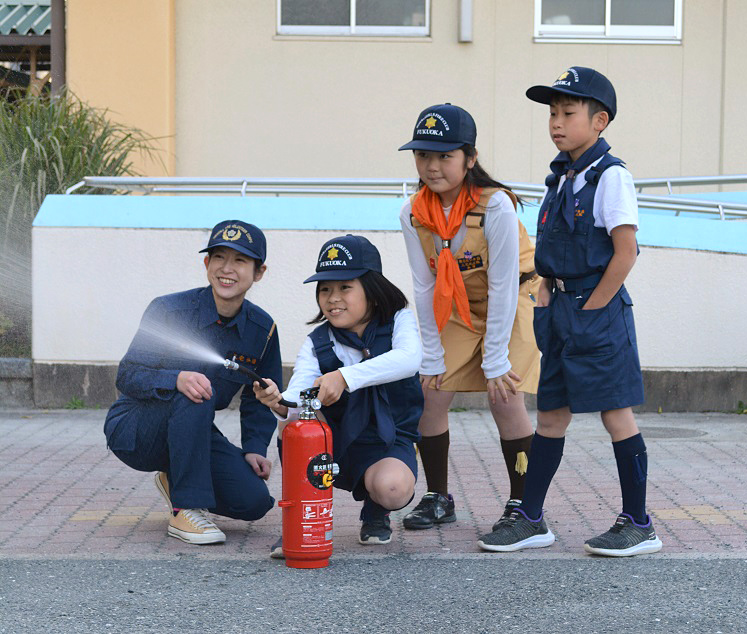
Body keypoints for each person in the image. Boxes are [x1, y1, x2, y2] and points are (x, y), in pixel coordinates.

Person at [477, 67, 662, 556]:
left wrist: (591, 307)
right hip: (557, 307)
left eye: (568, 112)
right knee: (552, 413)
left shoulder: (611, 176)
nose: (557, 122)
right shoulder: (561, 177)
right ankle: (532, 518)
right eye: (552, 113)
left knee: (615, 414)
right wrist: (543, 294)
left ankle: (639, 523)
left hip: (595, 311)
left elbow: (626, 253)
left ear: (599, 120)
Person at [397, 103, 541, 534]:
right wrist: (432, 355)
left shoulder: (495, 206)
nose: (432, 166)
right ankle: (438, 497)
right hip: (455, 306)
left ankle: (523, 504)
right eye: (423, 155)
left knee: (505, 396)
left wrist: (495, 360)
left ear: (470, 159)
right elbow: (423, 287)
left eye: (445, 156)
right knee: (431, 392)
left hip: (511, 298)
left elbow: (501, 286)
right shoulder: (412, 213)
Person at [104, 220, 282, 545]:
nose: (227, 269)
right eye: (219, 257)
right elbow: (127, 375)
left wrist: (255, 448)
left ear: (259, 272)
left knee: (254, 501)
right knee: (194, 392)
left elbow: (260, 396)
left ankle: (175, 478)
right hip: (136, 429)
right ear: (206, 264)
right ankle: (185, 509)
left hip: (193, 433)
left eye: (240, 260)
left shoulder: (262, 330)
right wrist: (176, 379)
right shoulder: (169, 310)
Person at [255, 234, 423, 549]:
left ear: (372, 291)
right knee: (293, 424)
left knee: (393, 489)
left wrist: (344, 377)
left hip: (388, 442)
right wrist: (278, 402)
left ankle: (376, 511)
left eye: (345, 287)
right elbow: (299, 392)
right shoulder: (317, 342)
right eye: (325, 289)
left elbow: (409, 360)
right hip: (333, 445)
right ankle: (303, 518)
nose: (333, 298)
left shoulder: (400, 320)